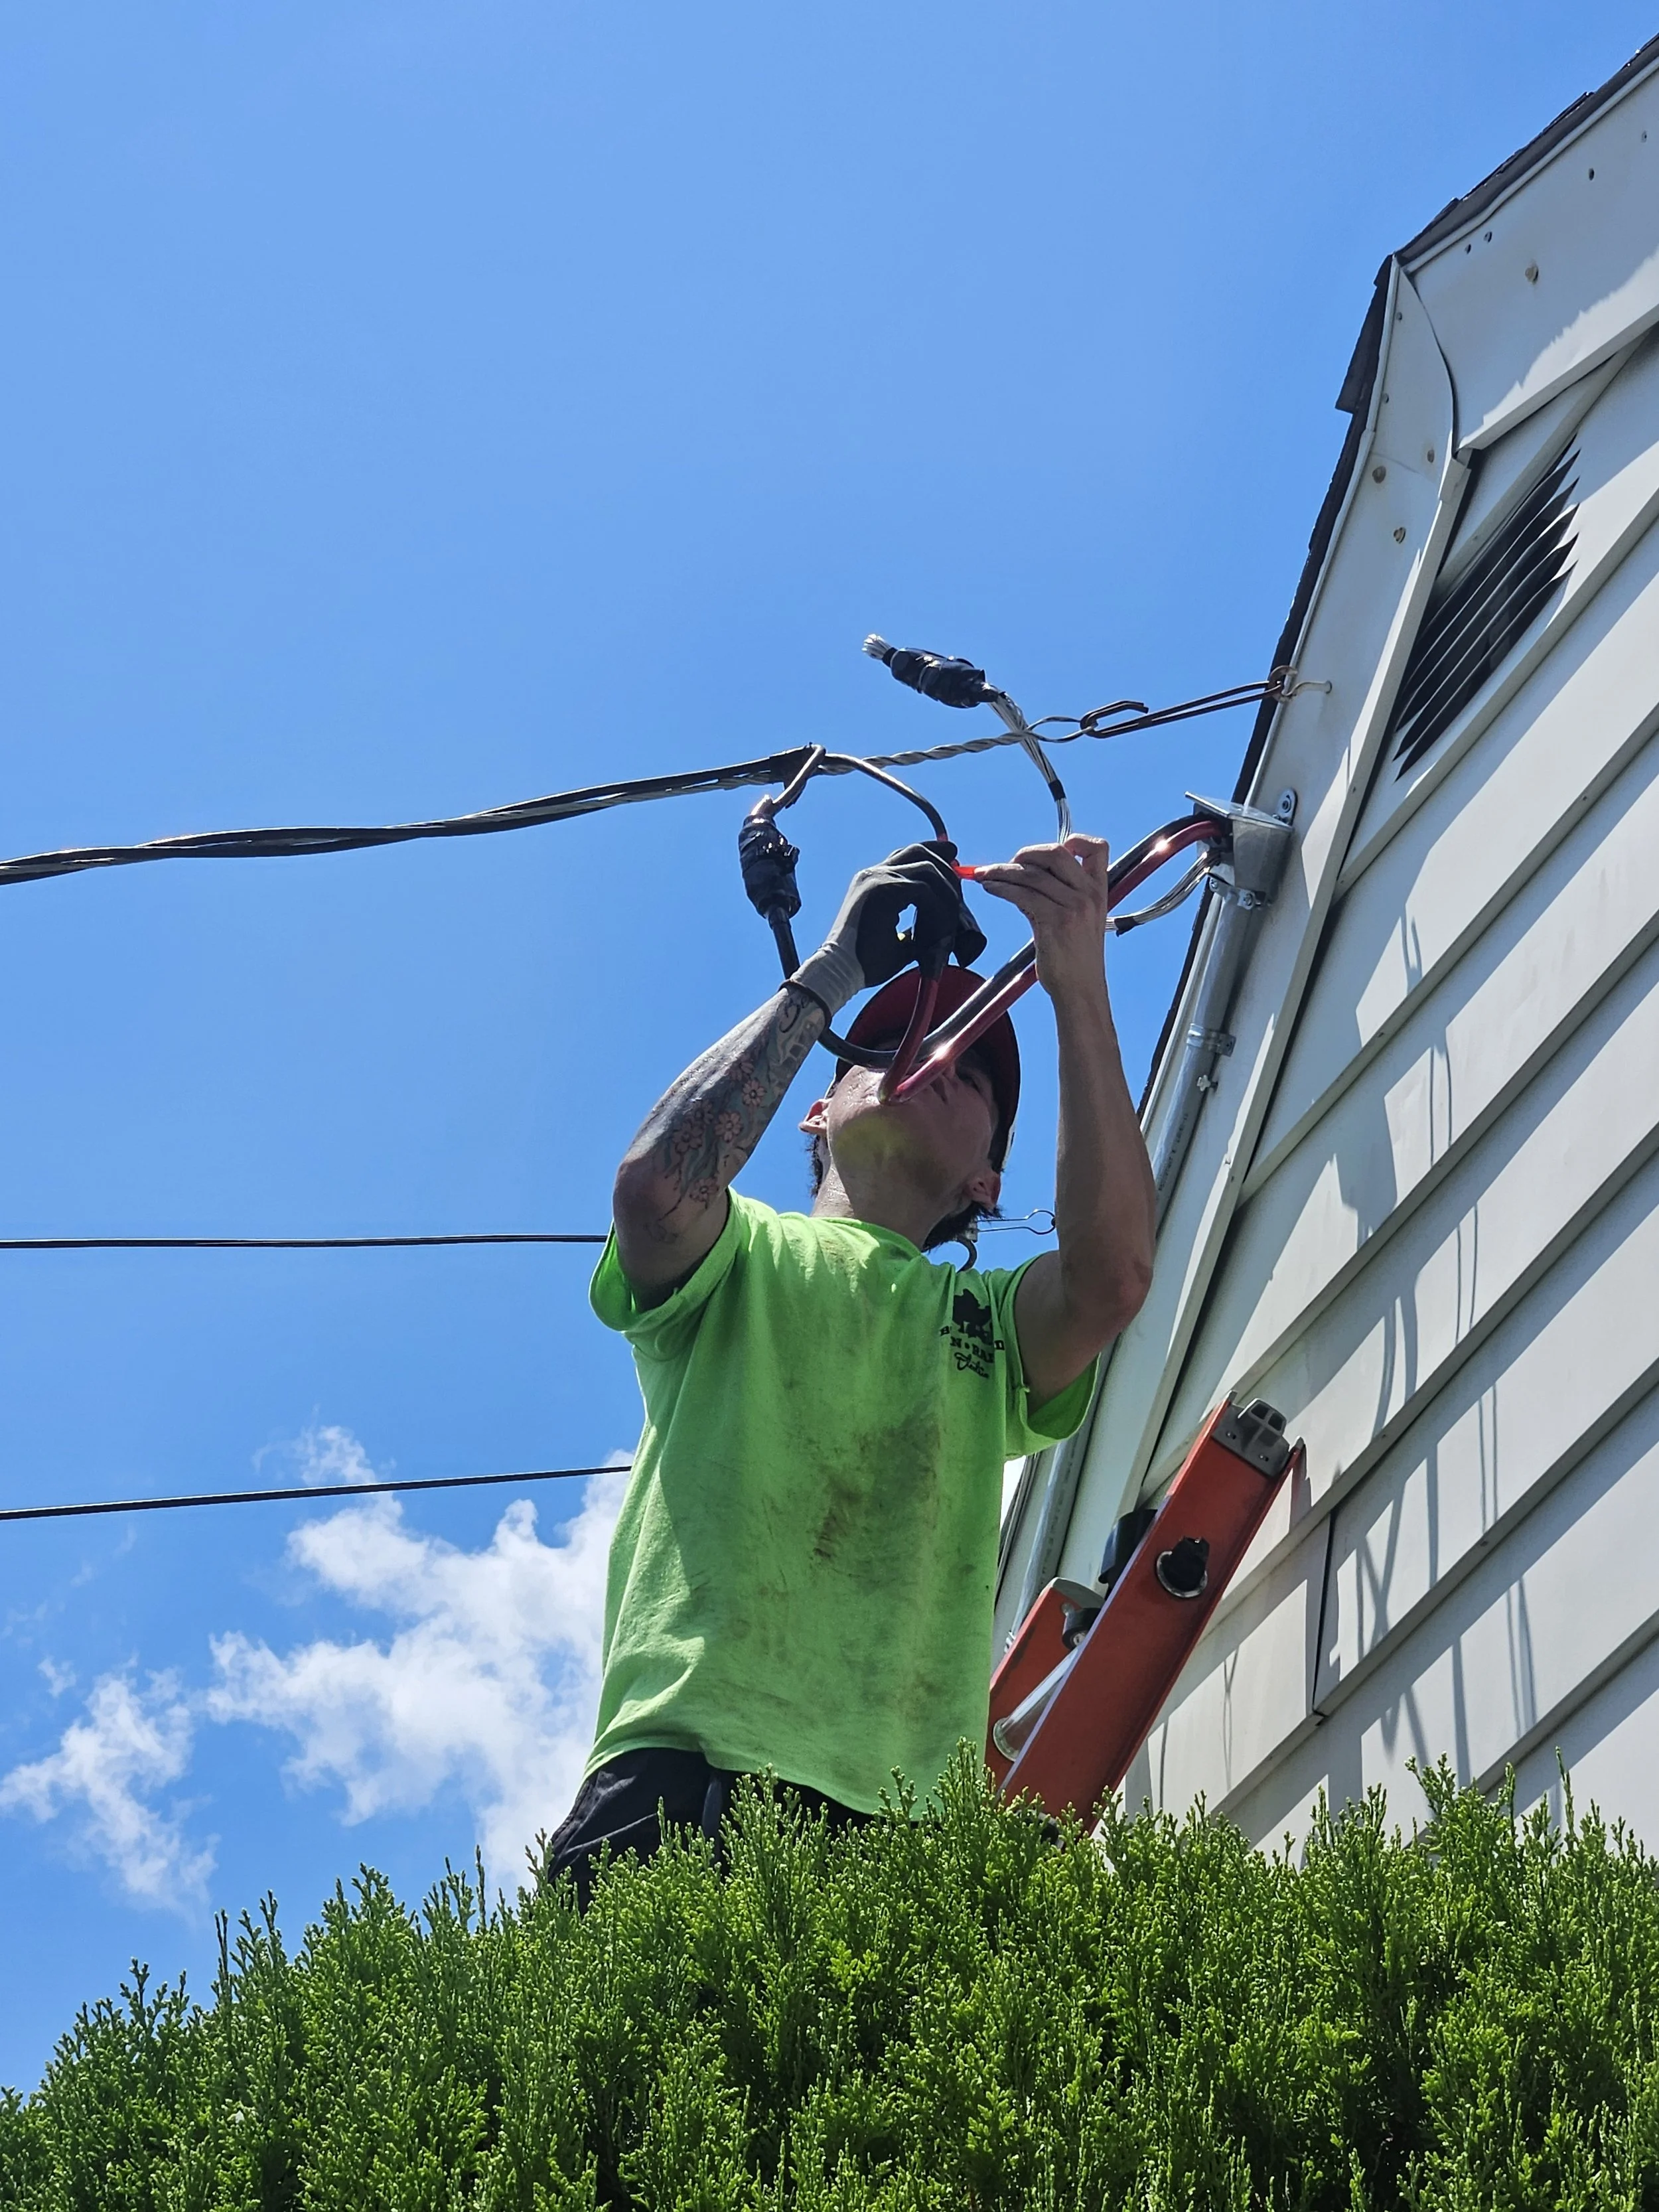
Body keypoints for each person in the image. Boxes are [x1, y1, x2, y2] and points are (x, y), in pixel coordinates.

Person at [544, 833, 1156, 1899]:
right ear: (819, 1111)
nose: (937, 1053)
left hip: (903, 1834)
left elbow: (1110, 1280)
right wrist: (831, 971)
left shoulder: (989, 1322)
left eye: (971, 1067)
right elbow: (654, 1194)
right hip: (678, 1776)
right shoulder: (740, 1252)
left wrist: (1075, 973)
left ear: (987, 1181)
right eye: (897, 1042)